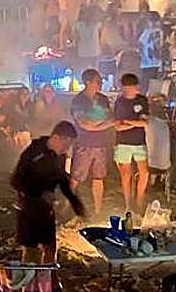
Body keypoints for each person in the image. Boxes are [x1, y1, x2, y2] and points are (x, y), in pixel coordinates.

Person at [11, 120, 85, 263]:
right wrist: (40, 193)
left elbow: (62, 179)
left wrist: (75, 202)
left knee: (50, 247)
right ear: (56, 138)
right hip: (28, 207)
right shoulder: (34, 152)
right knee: (31, 251)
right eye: (66, 144)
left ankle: (47, 281)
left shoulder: (59, 155)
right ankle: (29, 282)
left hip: (46, 209)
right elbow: (16, 181)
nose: (67, 148)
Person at [70, 68, 115, 217]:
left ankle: (98, 211)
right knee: (76, 177)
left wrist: (98, 125)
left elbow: (109, 117)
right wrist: (104, 124)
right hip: (84, 144)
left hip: (100, 144)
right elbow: (84, 123)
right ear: (87, 82)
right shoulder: (79, 101)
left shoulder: (103, 99)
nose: (100, 83)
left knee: (99, 178)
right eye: (97, 81)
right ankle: (66, 206)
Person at [113, 73, 151, 214]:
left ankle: (139, 200)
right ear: (126, 88)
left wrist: (127, 122)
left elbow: (145, 122)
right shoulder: (120, 102)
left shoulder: (142, 100)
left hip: (139, 142)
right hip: (123, 143)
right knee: (126, 175)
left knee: (144, 173)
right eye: (132, 87)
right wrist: (135, 123)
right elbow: (117, 126)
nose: (135, 89)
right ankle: (128, 204)